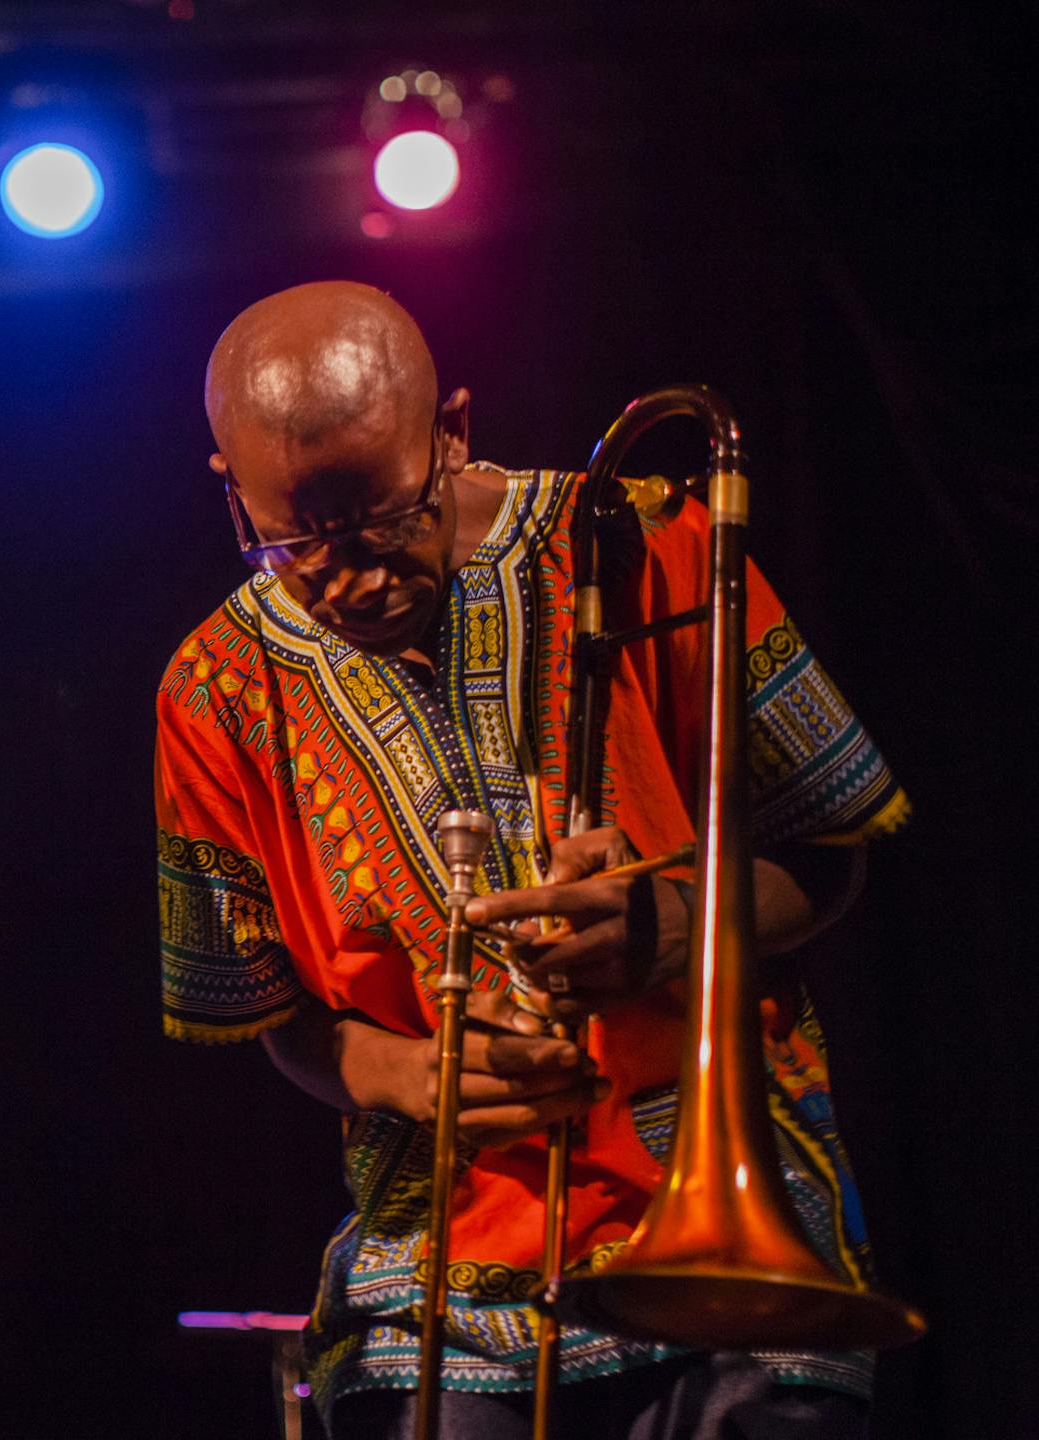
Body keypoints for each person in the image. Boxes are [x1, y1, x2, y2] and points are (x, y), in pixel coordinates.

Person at [154, 282, 907, 1437]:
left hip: (731, 1214)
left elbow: (837, 848)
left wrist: (671, 924)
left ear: (451, 430)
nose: (352, 576)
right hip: (441, 1264)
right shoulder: (212, 691)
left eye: (386, 519)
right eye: (297, 540)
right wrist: (409, 1076)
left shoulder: (650, 537)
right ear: (227, 486)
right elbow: (267, 1016)